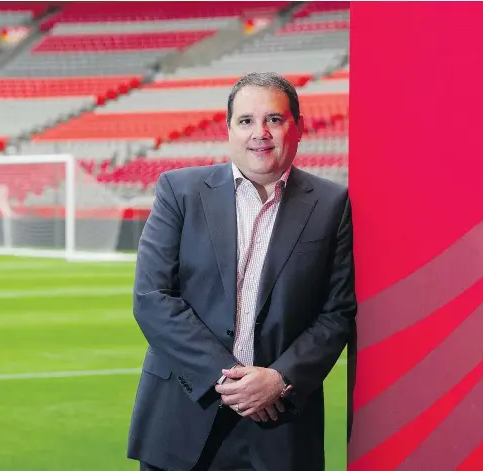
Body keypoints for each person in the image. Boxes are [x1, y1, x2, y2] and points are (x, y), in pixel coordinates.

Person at [127, 72, 357, 471]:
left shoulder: (333, 204)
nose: (260, 133)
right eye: (246, 121)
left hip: (279, 426)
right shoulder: (179, 191)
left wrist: (279, 379)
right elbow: (152, 298)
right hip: (183, 417)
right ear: (229, 130)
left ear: (298, 128)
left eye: (274, 119)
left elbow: (336, 313)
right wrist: (229, 379)